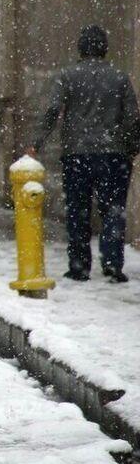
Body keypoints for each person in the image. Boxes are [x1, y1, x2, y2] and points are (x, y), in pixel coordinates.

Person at [30, 25, 140, 283]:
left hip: (76, 154)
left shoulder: (67, 76)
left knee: (78, 210)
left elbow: (52, 110)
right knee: (113, 209)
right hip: (113, 154)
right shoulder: (120, 78)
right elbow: (133, 118)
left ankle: (79, 266)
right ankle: (112, 263)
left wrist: (37, 143)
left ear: (81, 48)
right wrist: (131, 148)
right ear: (104, 48)